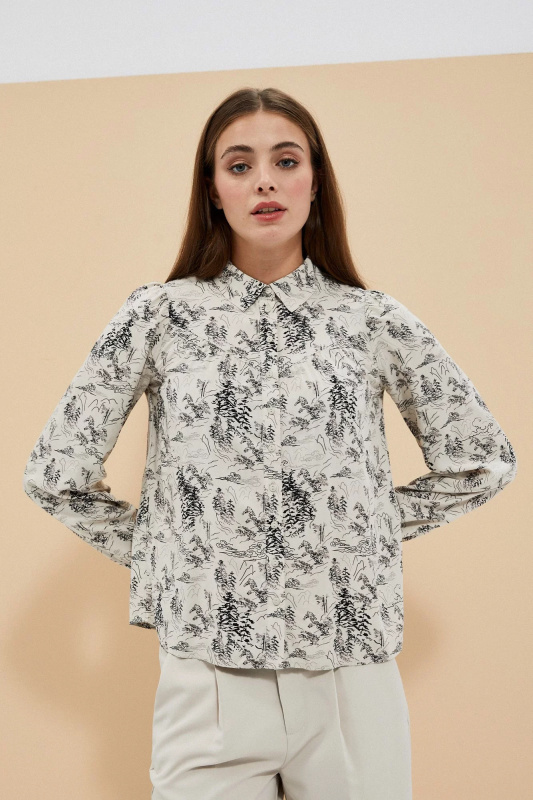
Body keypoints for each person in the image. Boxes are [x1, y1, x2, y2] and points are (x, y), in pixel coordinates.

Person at [22, 87, 517, 800]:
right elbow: (55, 473)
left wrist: (359, 529)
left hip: (349, 670)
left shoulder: (369, 319)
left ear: (315, 182)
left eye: (286, 161)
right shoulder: (160, 316)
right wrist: (176, 553)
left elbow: (481, 460)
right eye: (239, 165)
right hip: (210, 677)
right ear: (212, 189)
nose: (264, 182)